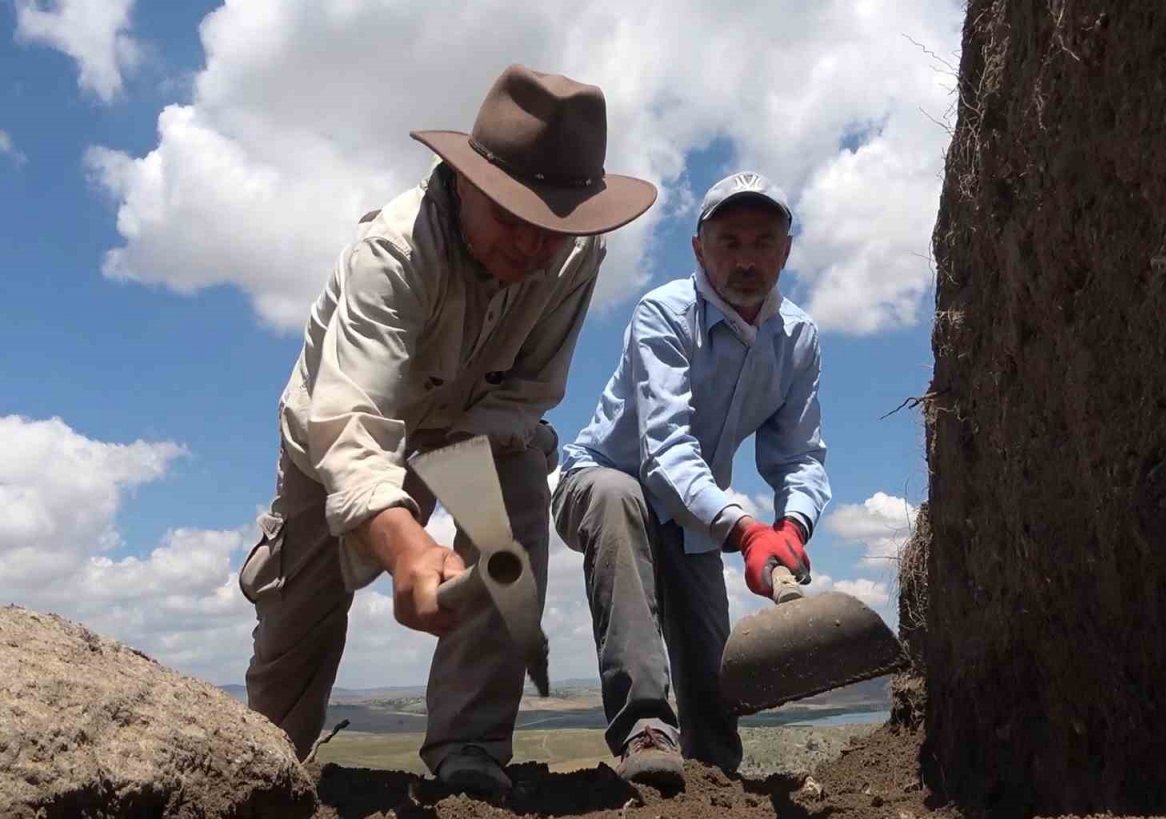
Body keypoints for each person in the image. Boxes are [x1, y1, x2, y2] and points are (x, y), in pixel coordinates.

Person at [237, 64, 656, 797]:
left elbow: (529, 390)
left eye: (552, 228)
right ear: (466, 182)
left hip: (477, 425)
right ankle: (261, 773)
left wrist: (462, 485)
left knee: (517, 491)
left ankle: (471, 750)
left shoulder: (575, 253)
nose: (533, 249)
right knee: (292, 644)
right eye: (514, 220)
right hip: (343, 433)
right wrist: (405, 542)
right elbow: (348, 426)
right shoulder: (394, 251)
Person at [553, 171, 832, 790]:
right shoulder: (664, 314)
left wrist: (790, 527)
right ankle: (645, 728)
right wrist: (743, 529)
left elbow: (799, 455)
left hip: (692, 514)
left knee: (712, 677)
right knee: (618, 495)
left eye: (763, 243)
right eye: (729, 242)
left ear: (786, 250)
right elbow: (666, 451)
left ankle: (713, 777)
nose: (746, 260)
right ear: (699, 248)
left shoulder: (798, 340)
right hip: (600, 481)